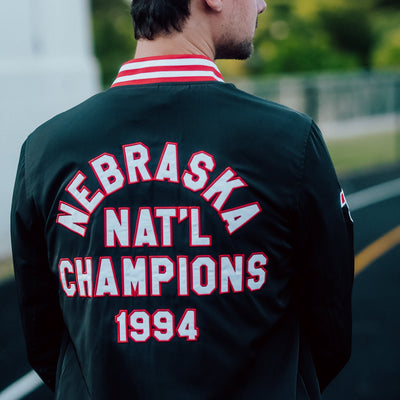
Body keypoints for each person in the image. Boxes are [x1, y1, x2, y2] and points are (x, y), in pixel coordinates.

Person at [11, 0, 354, 398]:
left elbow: (43, 336)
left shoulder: (45, 149)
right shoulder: (289, 141)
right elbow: (329, 329)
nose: (261, 5)